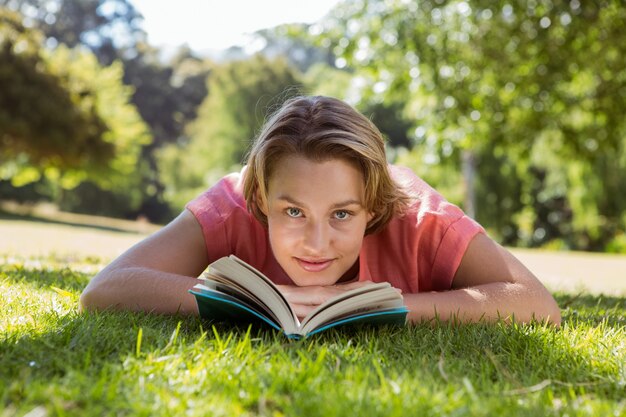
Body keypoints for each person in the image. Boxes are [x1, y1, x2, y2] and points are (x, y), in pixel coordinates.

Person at [79, 95, 561, 325]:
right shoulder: (234, 201)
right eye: (292, 213)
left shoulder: (421, 216)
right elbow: (105, 289)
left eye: (342, 214)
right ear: (264, 199)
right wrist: (251, 305)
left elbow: (537, 306)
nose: (315, 242)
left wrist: (386, 308)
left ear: (372, 205)